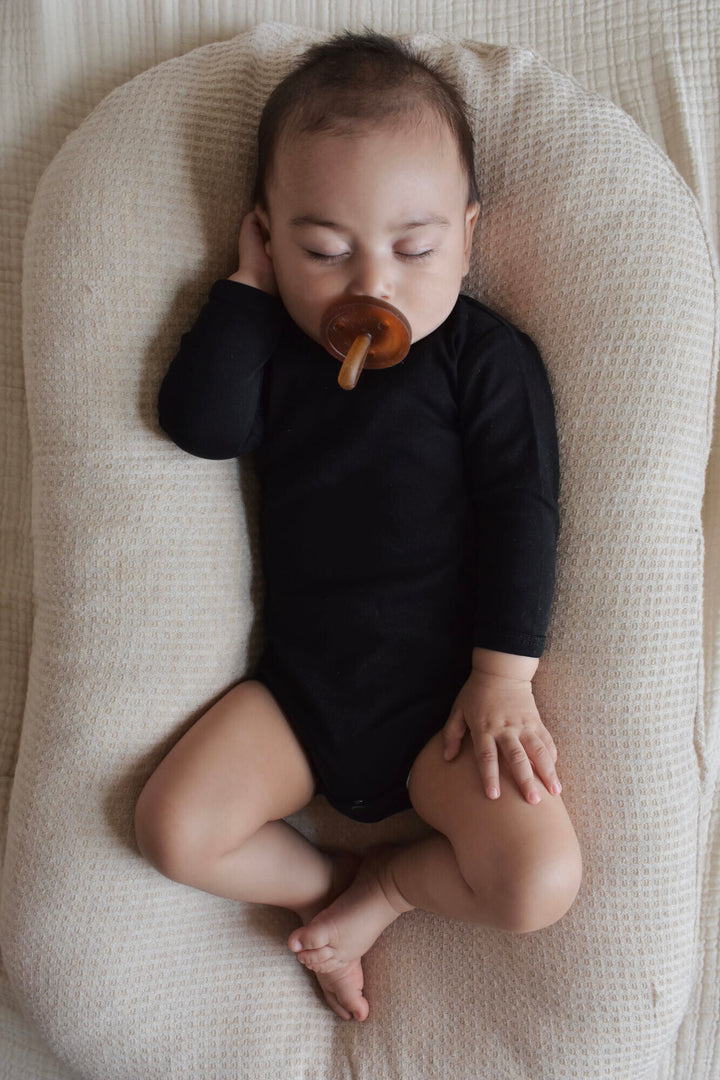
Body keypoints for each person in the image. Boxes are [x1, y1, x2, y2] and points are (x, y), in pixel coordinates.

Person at [134, 29, 582, 1023]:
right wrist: (248, 292)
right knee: (173, 828)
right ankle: (321, 885)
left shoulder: (482, 359)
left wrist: (502, 680)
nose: (370, 286)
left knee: (538, 883)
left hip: (448, 712)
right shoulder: (279, 353)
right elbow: (198, 427)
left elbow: (525, 509)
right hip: (302, 695)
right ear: (266, 232)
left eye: (415, 248)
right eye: (323, 250)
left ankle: (390, 889)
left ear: (467, 237)